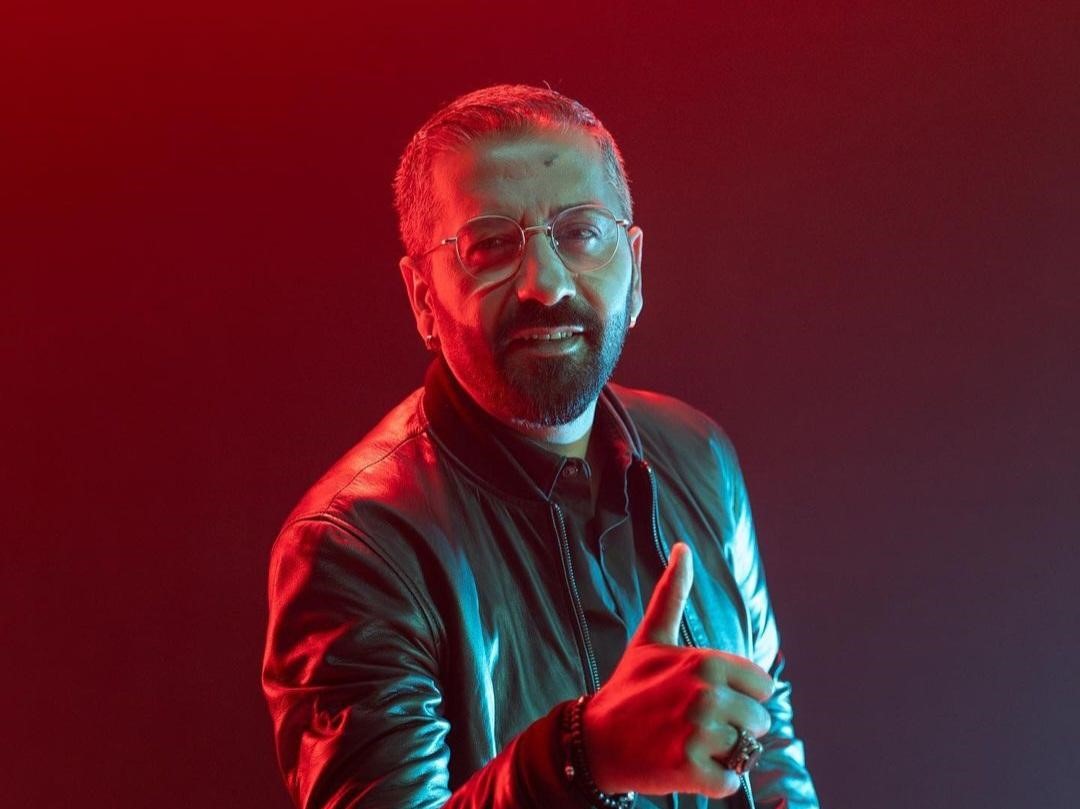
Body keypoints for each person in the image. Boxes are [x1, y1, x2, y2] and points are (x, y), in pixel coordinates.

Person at [261, 84, 819, 809]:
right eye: (491, 244)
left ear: (635, 269)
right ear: (423, 297)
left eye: (580, 233)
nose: (545, 284)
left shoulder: (699, 454)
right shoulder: (353, 545)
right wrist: (581, 757)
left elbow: (768, 739)